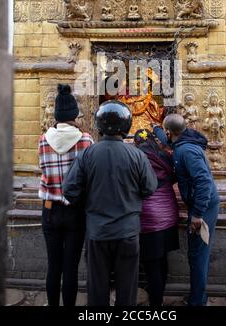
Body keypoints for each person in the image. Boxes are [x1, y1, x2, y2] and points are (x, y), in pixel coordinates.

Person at [63, 100, 158, 306]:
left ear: (99, 125)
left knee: (97, 288)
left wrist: (89, 203)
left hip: (98, 232)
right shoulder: (137, 155)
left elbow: (69, 190)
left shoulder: (87, 154)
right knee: (127, 289)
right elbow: (150, 187)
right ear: (126, 125)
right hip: (128, 232)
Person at [153, 114, 220, 306]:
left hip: (204, 207)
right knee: (199, 252)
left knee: (198, 254)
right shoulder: (184, 140)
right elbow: (168, 139)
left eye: (164, 131)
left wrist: (197, 214)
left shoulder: (186, 151)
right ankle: (198, 296)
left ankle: (197, 301)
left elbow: (204, 182)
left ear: (169, 132)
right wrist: (156, 129)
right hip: (201, 204)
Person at [38, 84, 93, 306]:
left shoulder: (43, 140)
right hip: (75, 211)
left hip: (50, 209)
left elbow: (42, 169)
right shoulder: (86, 140)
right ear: (73, 115)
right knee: (71, 266)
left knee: (54, 265)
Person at [134, 129, 179, 307]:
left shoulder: (137, 158)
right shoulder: (165, 156)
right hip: (169, 213)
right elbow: (174, 177)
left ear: (137, 143)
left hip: (148, 217)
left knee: (151, 264)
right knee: (162, 259)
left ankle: (155, 303)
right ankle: (159, 298)